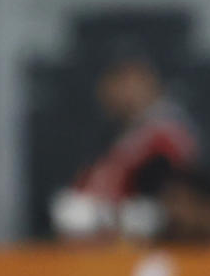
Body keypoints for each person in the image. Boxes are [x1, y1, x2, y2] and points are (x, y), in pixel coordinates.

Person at [51, 52, 199, 242]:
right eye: (115, 81)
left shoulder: (165, 138)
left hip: (140, 246)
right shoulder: (106, 136)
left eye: (132, 81)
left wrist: (104, 218)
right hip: (96, 244)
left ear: (153, 85)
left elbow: (166, 208)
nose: (123, 91)